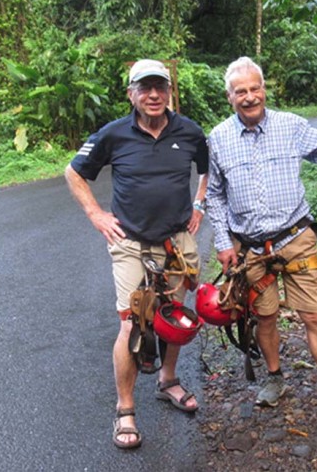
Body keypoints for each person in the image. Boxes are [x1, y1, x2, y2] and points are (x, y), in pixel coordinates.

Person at [206, 56, 317, 428]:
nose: (250, 97)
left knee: (315, 315)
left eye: (255, 88)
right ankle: (275, 378)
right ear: (229, 97)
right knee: (265, 316)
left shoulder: (290, 125)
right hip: (250, 250)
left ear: (264, 89)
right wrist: (222, 241)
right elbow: (214, 195)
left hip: (295, 238)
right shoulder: (217, 138)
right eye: (240, 92)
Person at [65, 59, 209, 449]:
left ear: (169, 91)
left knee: (174, 319)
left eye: (159, 87)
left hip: (177, 243)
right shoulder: (113, 134)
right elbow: (73, 172)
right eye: (144, 88)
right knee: (132, 325)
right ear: (131, 94)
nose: (153, 95)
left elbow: (208, 168)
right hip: (130, 243)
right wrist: (96, 214)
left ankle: (168, 380)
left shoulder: (190, 131)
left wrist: (200, 205)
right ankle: (125, 408)